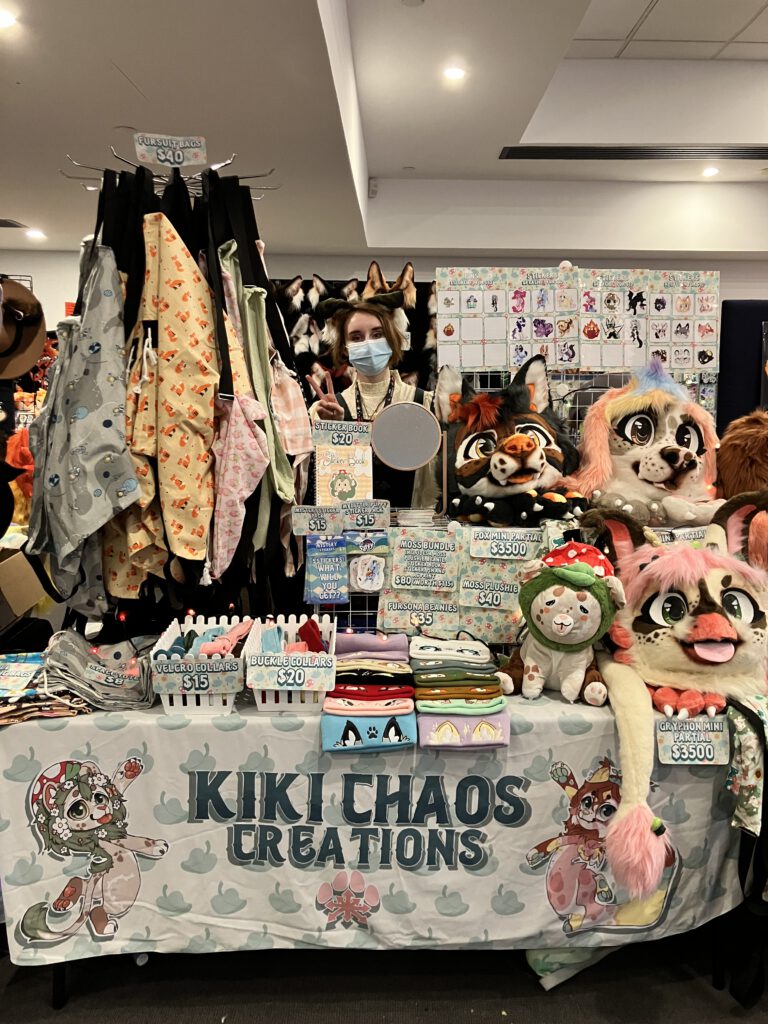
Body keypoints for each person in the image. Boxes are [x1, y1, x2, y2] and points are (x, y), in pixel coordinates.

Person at [306, 294, 434, 506]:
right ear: (344, 347)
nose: (368, 344)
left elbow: (433, 485)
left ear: (391, 338)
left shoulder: (424, 404)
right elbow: (322, 485)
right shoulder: (324, 410)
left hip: (411, 523)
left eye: (377, 334)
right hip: (347, 524)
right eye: (356, 337)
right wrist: (332, 430)